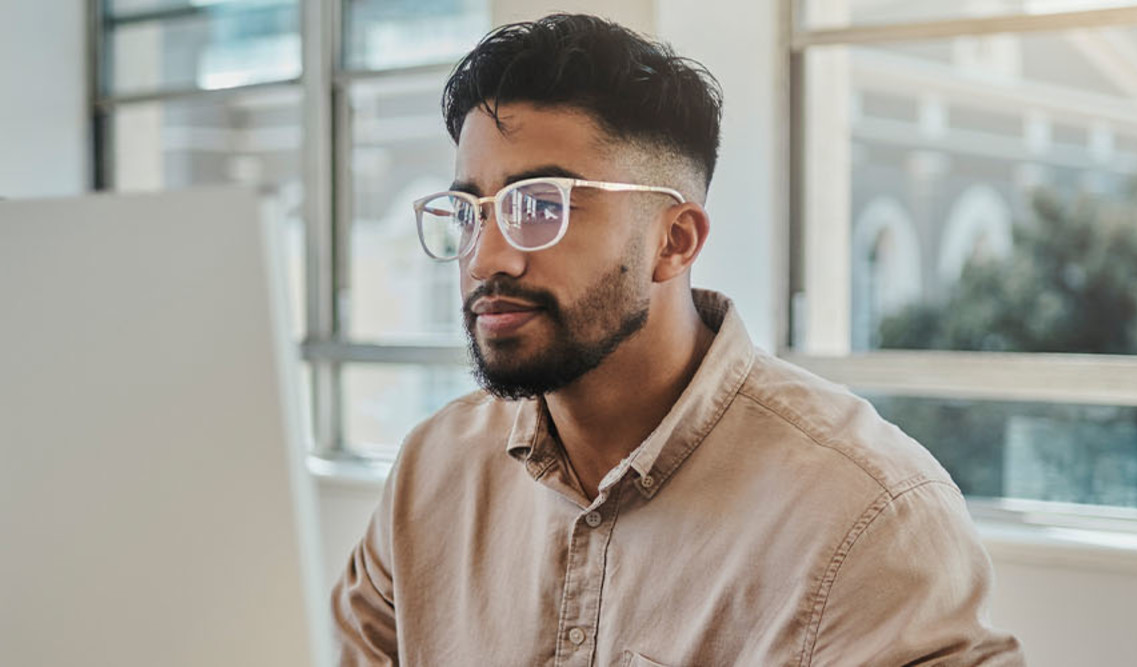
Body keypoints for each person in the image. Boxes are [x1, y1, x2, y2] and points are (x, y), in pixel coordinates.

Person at [331, 13, 1025, 666]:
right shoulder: (432, 476)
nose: (485, 260)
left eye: (539, 207)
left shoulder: (867, 518)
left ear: (675, 240)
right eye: (469, 212)